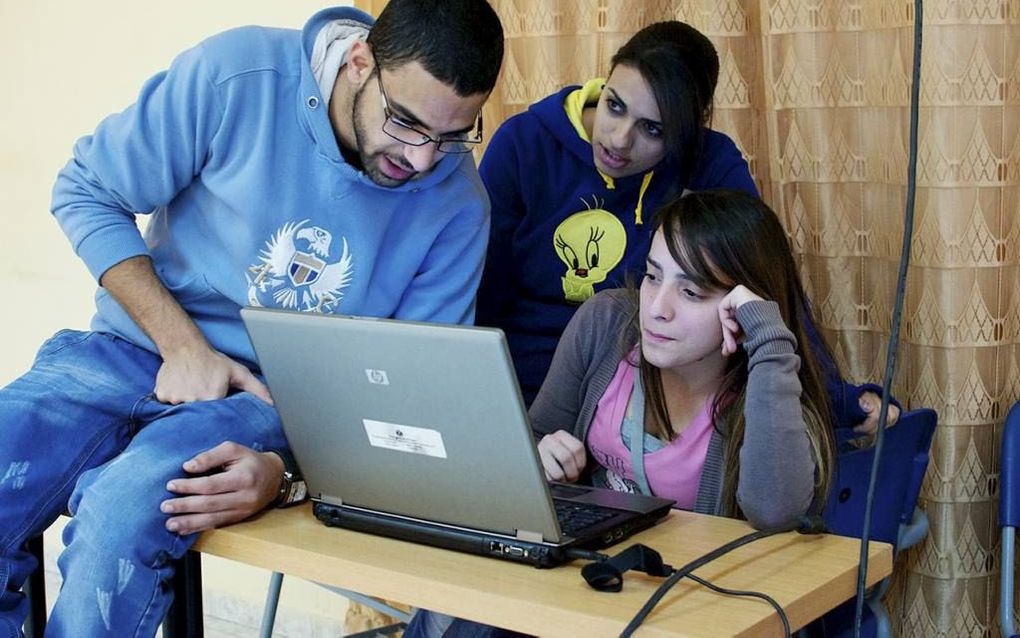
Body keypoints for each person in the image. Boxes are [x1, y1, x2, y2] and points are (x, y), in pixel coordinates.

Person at [0, 1, 503, 635]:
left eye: (453, 134)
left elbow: (406, 398)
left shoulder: (458, 206)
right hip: (132, 350)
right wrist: (183, 345)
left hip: (278, 399)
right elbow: (86, 190)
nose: (424, 159)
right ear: (359, 62)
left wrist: (290, 473)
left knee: (117, 520)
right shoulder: (235, 74)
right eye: (406, 122)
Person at [406, 189, 847, 638]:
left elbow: (775, 513)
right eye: (654, 277)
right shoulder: (607, 323)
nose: (657, 309)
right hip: (586, 578)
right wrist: (541, 455)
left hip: (685, 607)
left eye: (692, 291)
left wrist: (768, 341)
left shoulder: (768, 389)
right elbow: (535, 438)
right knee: (462, 607)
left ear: (741, 305)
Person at [474, 21, 895, 434]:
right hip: (527, 385)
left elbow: (763, 285)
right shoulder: (524, 143)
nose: (619, 140)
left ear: (686, 133)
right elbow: (482, 287)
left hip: (645, 397)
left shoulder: (710, 163)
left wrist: (835, 397)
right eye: (615, 105)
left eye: (653, 129)